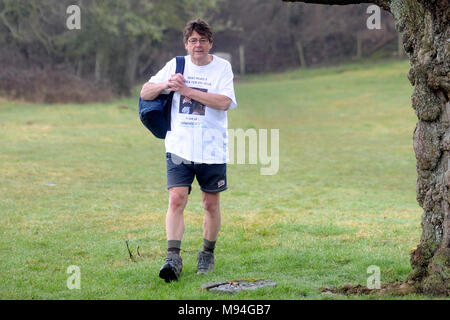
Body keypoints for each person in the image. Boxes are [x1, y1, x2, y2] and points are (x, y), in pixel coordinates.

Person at [140, 18, 237, 282]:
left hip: (211, 148)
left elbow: (225, 102)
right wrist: (166, 85)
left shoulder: (222, 68)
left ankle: (207, 253)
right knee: (176, 199)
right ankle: (173, 257)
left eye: (203, 40)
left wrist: (187, 90)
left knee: (210, 203)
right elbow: (145, 92)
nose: (198, 45)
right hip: (179, 145)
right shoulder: (176, 64)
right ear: (186, 43)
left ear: (210, 43)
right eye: (193, 40)